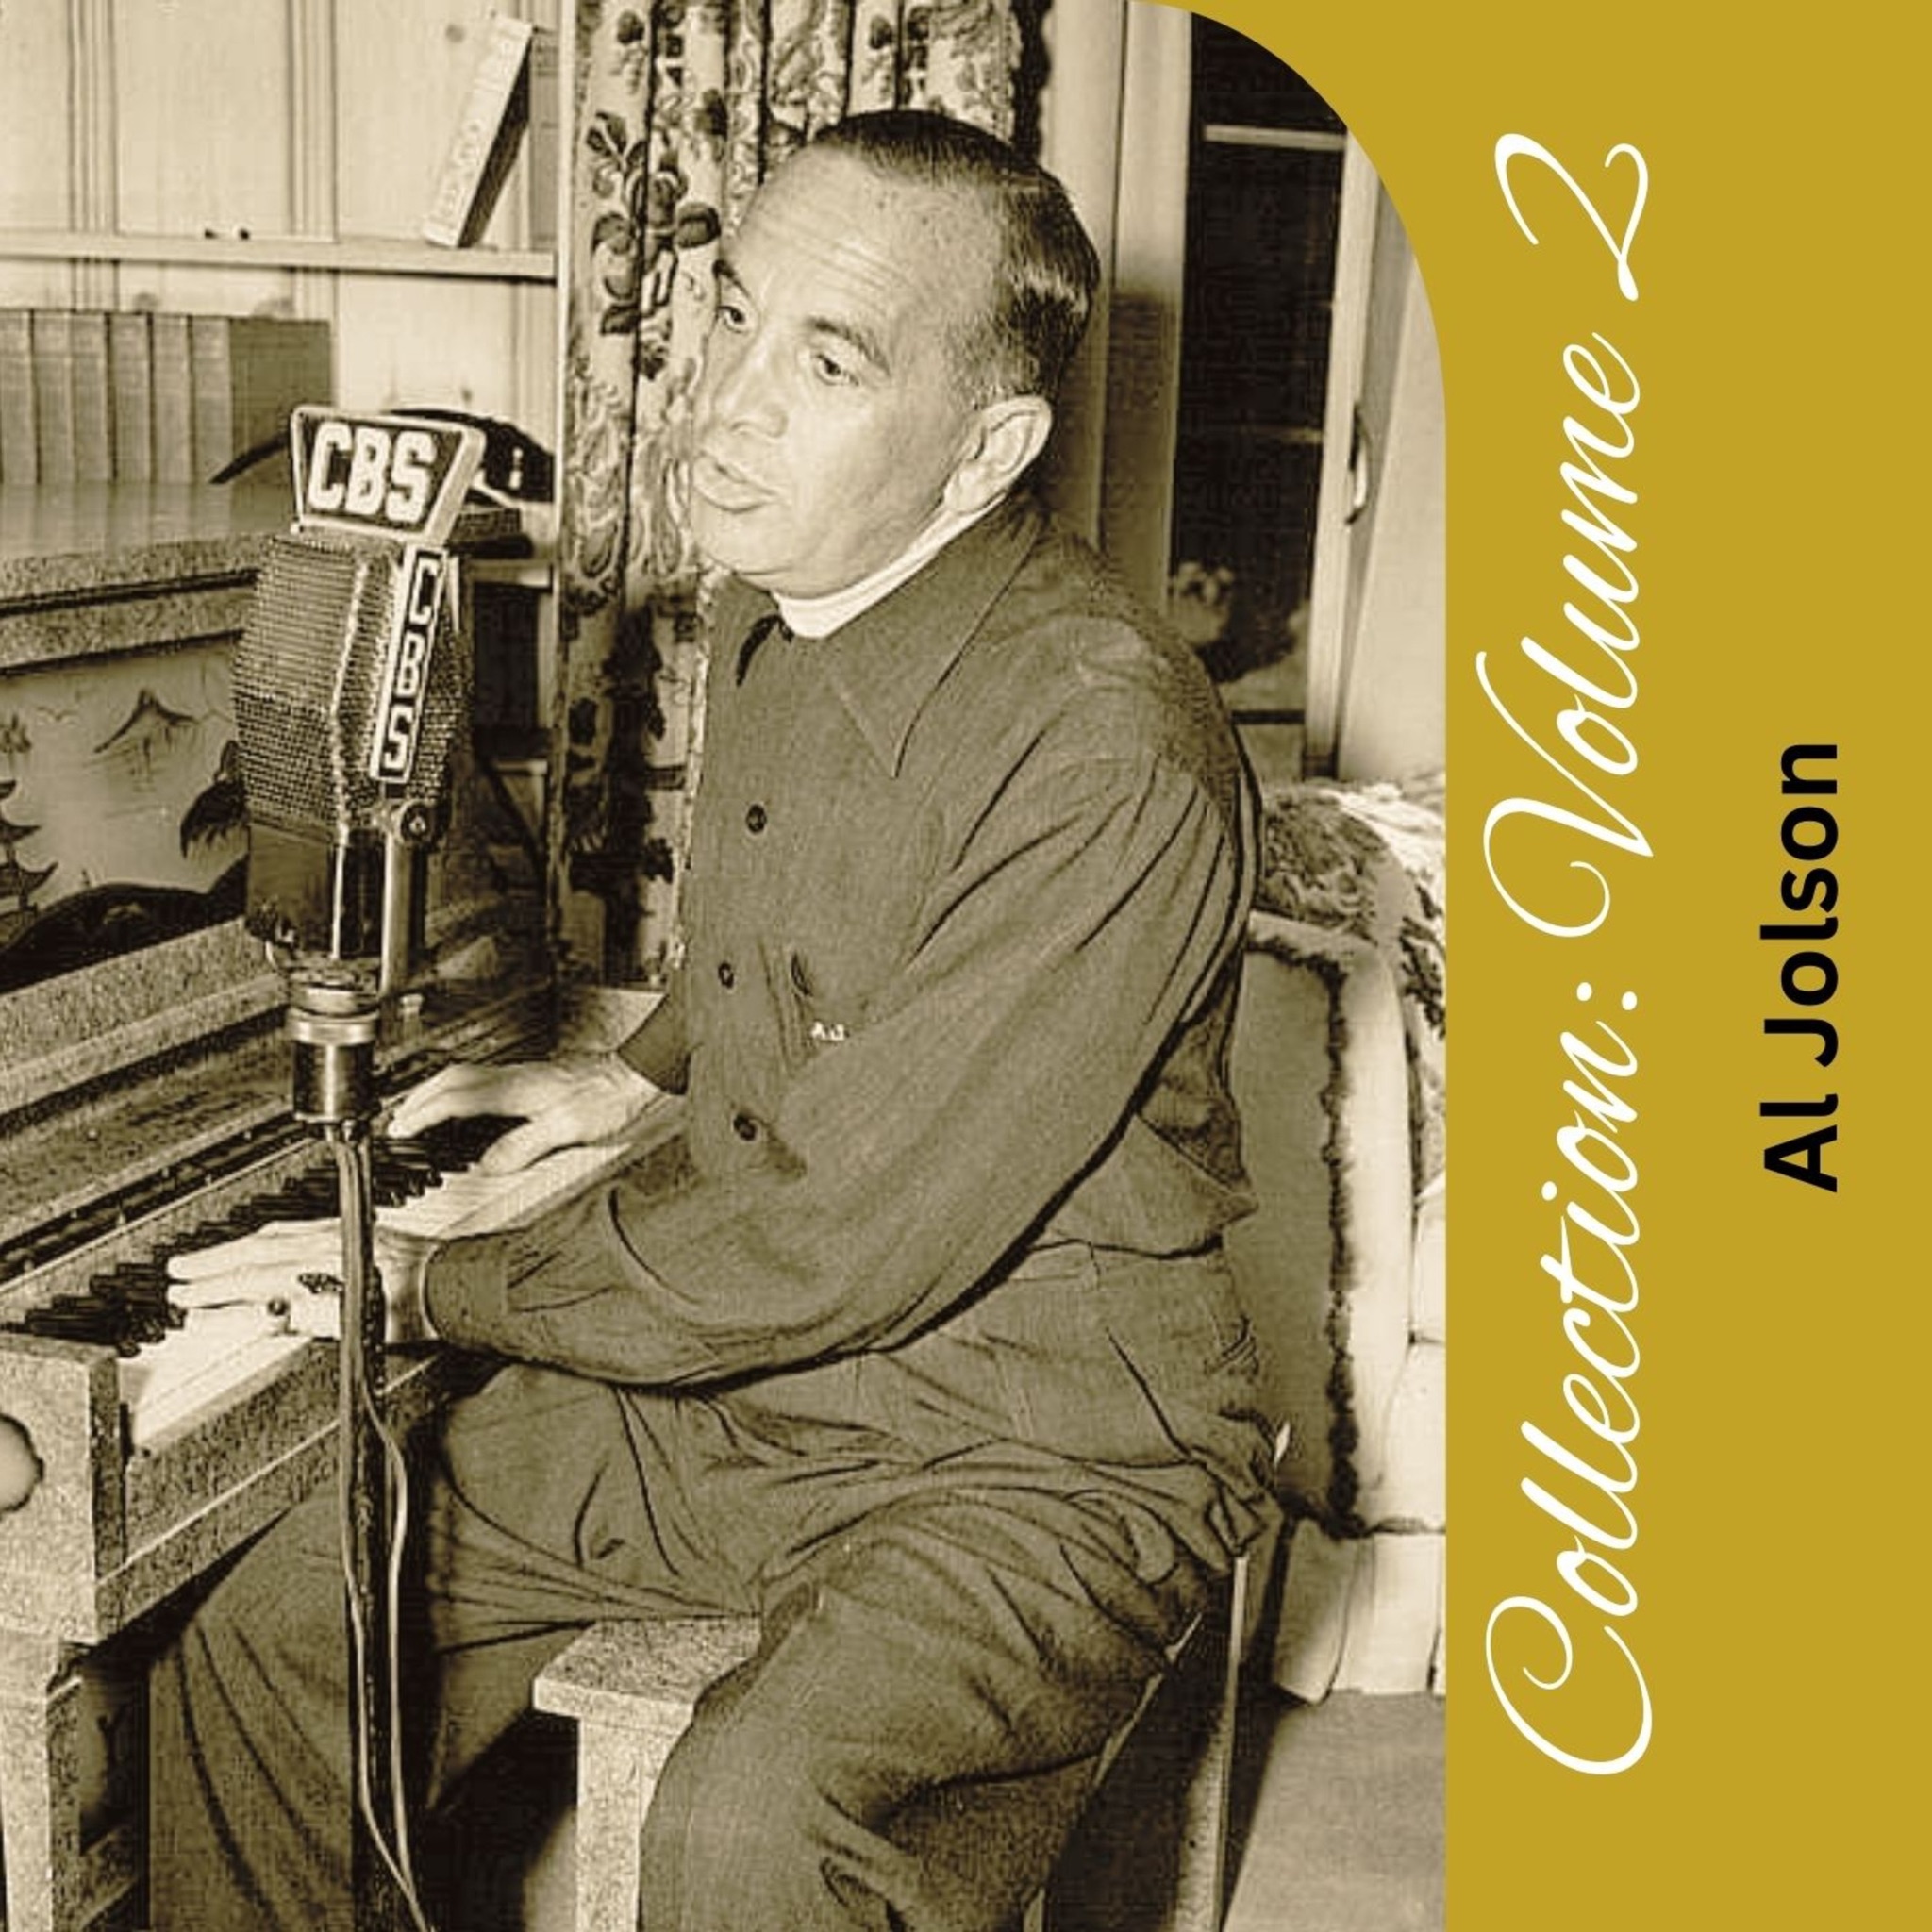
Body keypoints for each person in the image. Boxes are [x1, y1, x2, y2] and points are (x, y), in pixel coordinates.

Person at [152, 109, 1277, 1932]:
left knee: (746, 1824)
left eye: (827, 363)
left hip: (1044, 1445)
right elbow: (810, 931)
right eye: (733, 316)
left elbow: (835, 1240)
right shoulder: (786, 599)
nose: (725, 405)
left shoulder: (1109, 751)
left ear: (988, 449)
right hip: (767, 1398)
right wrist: (637, 1076)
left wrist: (429, 1282)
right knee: (285, 1613)